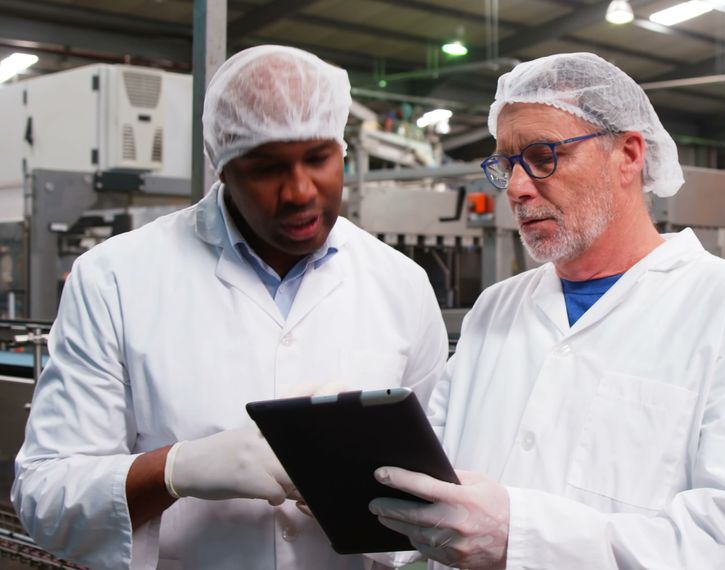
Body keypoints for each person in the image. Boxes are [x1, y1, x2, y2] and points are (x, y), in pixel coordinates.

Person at [367, 52, 725, 569]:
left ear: (628, 154)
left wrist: (522, 538)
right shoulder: (496, 309)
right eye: (506, 163)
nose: (516, 186)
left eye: (543, 155)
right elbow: (433, 482)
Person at [12, 45, 447, 569]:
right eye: (266, 169)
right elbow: (45, 497)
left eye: (317, 158)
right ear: (222, 167)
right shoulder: (115, 278)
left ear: (342, 149)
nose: (299, 191)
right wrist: (176, 469)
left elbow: (440, 488)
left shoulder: (400, 284)